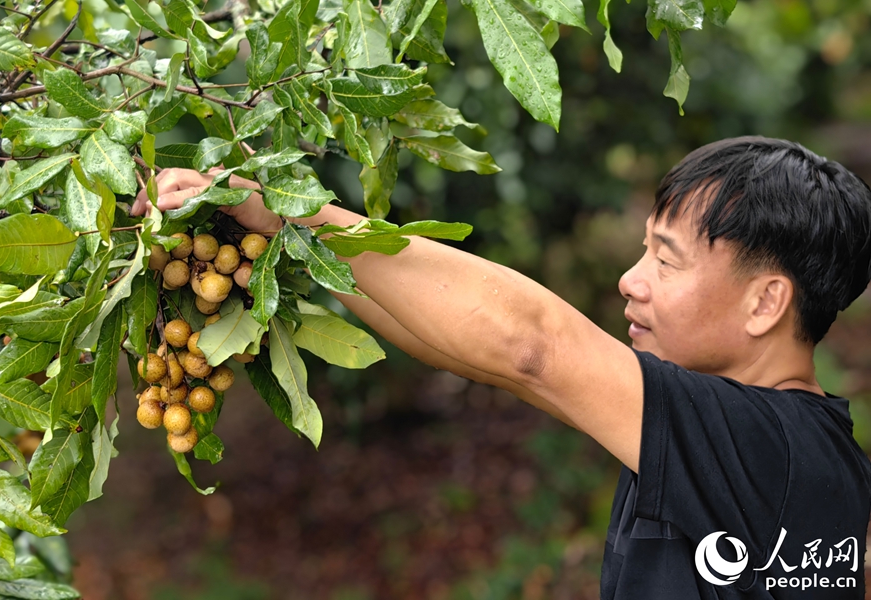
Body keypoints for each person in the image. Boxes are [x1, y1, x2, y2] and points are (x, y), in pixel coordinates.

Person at [131, 136, 871, 598]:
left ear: (765, 302)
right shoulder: (758, 446)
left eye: (666, 260)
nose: (631, 279)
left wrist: (296, 213)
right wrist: (301, 254)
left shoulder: (770, 450)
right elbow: (481, 356)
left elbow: (532, 345)